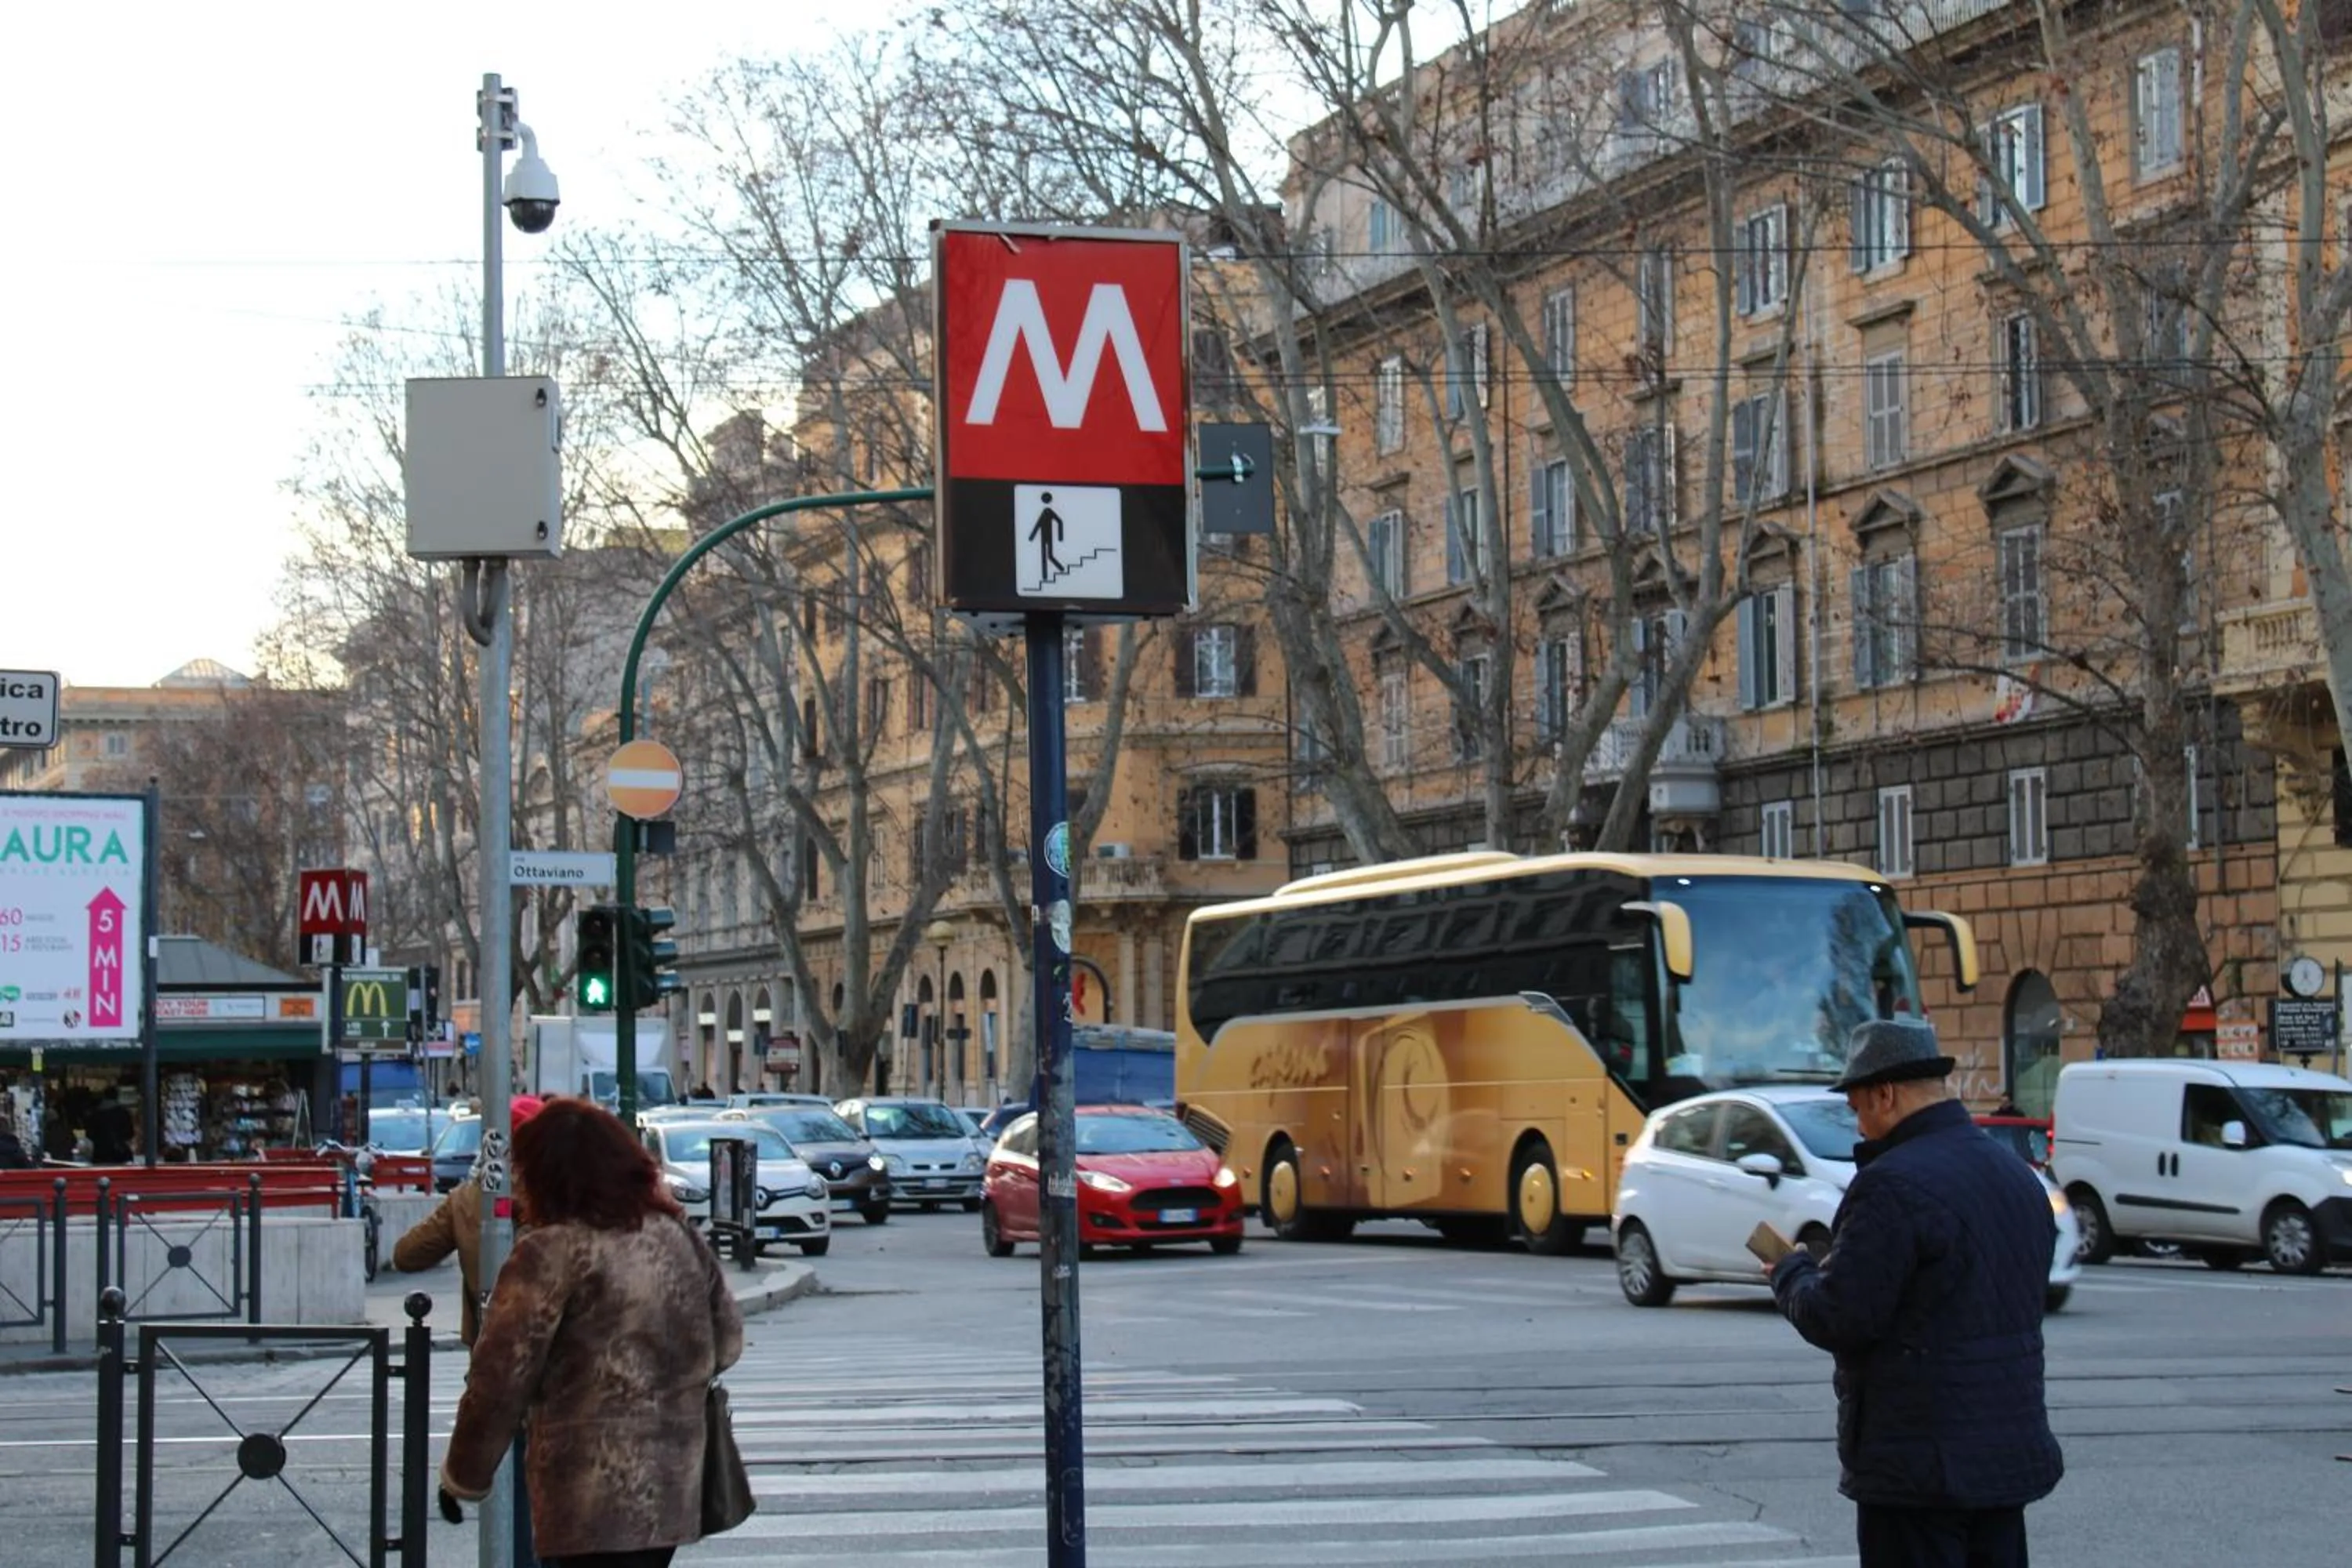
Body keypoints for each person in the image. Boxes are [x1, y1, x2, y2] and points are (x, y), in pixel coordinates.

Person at [1766, 1018, 2063, 1566]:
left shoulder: (1890, 1184)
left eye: (1857, 1109)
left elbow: (1840, 1316)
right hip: (2006, 1453)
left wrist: (1791, 1271)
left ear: (1885, 1094)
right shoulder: (2016, 1175)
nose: (1857, 1126)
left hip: (1917, 1465)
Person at [439, 1097, 743, 1567]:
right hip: (670, 1482)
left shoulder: (551, 1251)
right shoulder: (675, 1235)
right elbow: (726, 1343)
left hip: (585, 1489)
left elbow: (499, 1378)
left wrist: (464, 1477)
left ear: (545, 1173)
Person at [393, 1094, 545, 1346]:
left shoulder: (468, 1199)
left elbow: (407, 1255)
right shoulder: (559, 1200)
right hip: (552, 1356)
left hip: (487, 1350)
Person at [87, 1087, 136, 1165]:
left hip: (100, 1154)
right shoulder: (123, 1113)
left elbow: (89, 1134)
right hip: (120, 1154)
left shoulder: (95, 1114)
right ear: (117, 1096)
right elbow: (130, 1133)